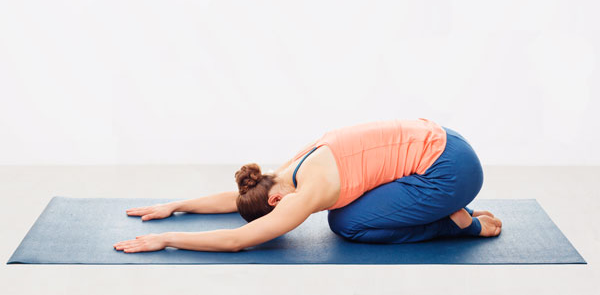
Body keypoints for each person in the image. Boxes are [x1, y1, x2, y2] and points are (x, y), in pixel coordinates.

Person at [113, 118, 502, 253]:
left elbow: (237, 239)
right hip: (447, 142)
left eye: (279, 210)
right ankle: (446, 208)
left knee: (347, 224)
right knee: (346, 210)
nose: (284, 213)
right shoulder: (288, 168)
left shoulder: (302, 196)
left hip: (452, 172)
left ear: (278, 200)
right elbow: (238, 201)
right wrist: (177, 205)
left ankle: (456, 223)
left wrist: (168, 239)